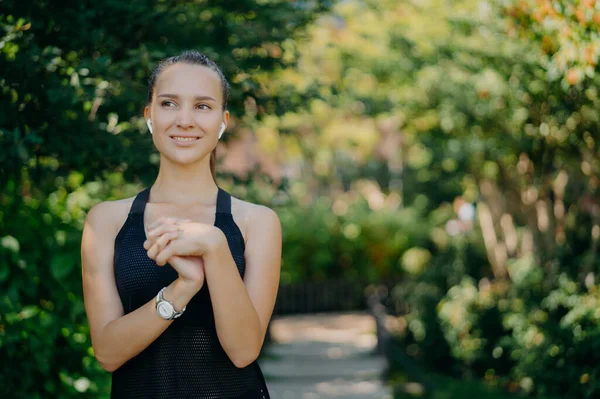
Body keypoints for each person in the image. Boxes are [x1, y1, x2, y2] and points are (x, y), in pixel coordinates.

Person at [80, 50, 282, 399]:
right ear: (149, 115)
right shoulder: (106, 221)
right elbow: (107, 354)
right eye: (169, 103)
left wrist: (215, 247)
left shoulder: (257, 222)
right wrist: (181, 289)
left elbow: (244, 350)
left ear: (222, 121)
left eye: (202, 106)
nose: (185, 120)